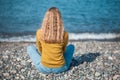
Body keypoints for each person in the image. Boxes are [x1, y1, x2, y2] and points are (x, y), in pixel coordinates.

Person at [27, 7, 74, 74]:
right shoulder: (64, 34)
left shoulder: (39, 32)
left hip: (44, 68)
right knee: (71, 47)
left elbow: (40, 50)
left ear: (46, 19)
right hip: (61, 68)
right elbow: (63, 50)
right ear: (59, 19)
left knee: (30, 48)